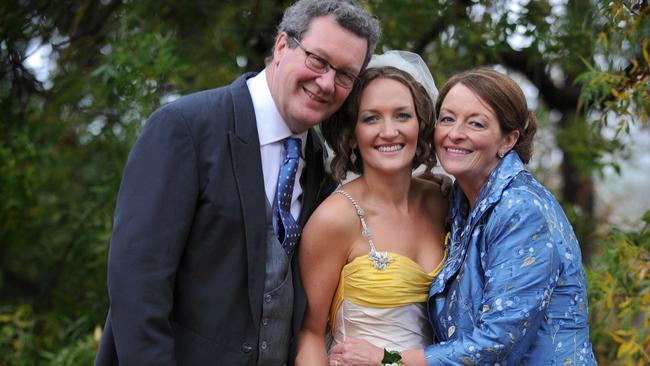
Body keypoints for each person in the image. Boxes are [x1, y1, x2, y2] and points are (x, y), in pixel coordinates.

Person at [94, 1, 380, 365]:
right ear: (281, 47)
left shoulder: (319, 162)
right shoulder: (184, 128)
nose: (326, 83)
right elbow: (136, 286)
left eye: (344, 76)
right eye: (318, 61)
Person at [330, 68, 597, 365]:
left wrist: (389, 360)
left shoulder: (520, 209)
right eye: (447, 119)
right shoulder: (460, 200)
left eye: (476, 124)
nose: (455, 133)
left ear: (508, 140)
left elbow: (497, 342)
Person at [296, 51, 448, 366]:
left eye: (402, 115)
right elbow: (309, 335)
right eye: (371, 118)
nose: (389, 131)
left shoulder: (443, 202)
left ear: (420, 124)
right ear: (352, 135)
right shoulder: (334, 219)